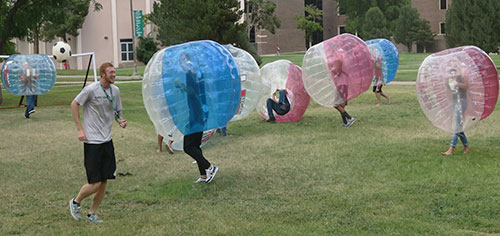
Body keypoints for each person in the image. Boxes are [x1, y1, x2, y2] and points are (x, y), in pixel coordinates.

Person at [68, 62, 127, 223]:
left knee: (104, 182)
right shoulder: (91, 89)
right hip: (92, 142)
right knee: (94, 183)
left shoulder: (115, 91)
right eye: (111, 72)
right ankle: (75, 202)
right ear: (102, 74)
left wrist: (120, 121)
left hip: (107, 141)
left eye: (114, 72)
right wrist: (80, 129)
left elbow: (117, 112)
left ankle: (92, 214)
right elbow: (74, 104)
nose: (114, 75)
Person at [178, 52, 218, 183]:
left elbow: (193, 93)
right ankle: (203, 175)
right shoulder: (197, 72)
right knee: (195, 145)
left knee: (188, 147)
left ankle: (210, 167)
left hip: (196, 114)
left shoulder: (191, 74)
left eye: (182, 61)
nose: (181, 64)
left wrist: (181, 86)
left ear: (187, 61)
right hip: (199, 112)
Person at [441, 67, 469, 155]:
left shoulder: (462, 76)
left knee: (457, 126)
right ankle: (466, 148)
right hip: (455, 102)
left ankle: (451, 149)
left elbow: (466, 86)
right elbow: (451, 90)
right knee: (458, 125)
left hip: (462, 102)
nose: (452, 73)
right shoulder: (451, 79)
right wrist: (447, 84)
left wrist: (457, 83)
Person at [331, 55, 355, 127]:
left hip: (341, 84)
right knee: (341, 104)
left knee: (336, 104)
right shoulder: (346, 64)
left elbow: (337, 72)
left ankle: (350, 118)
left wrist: (333, 69)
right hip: (344, 84)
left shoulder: (339, 62)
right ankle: (345, 122)